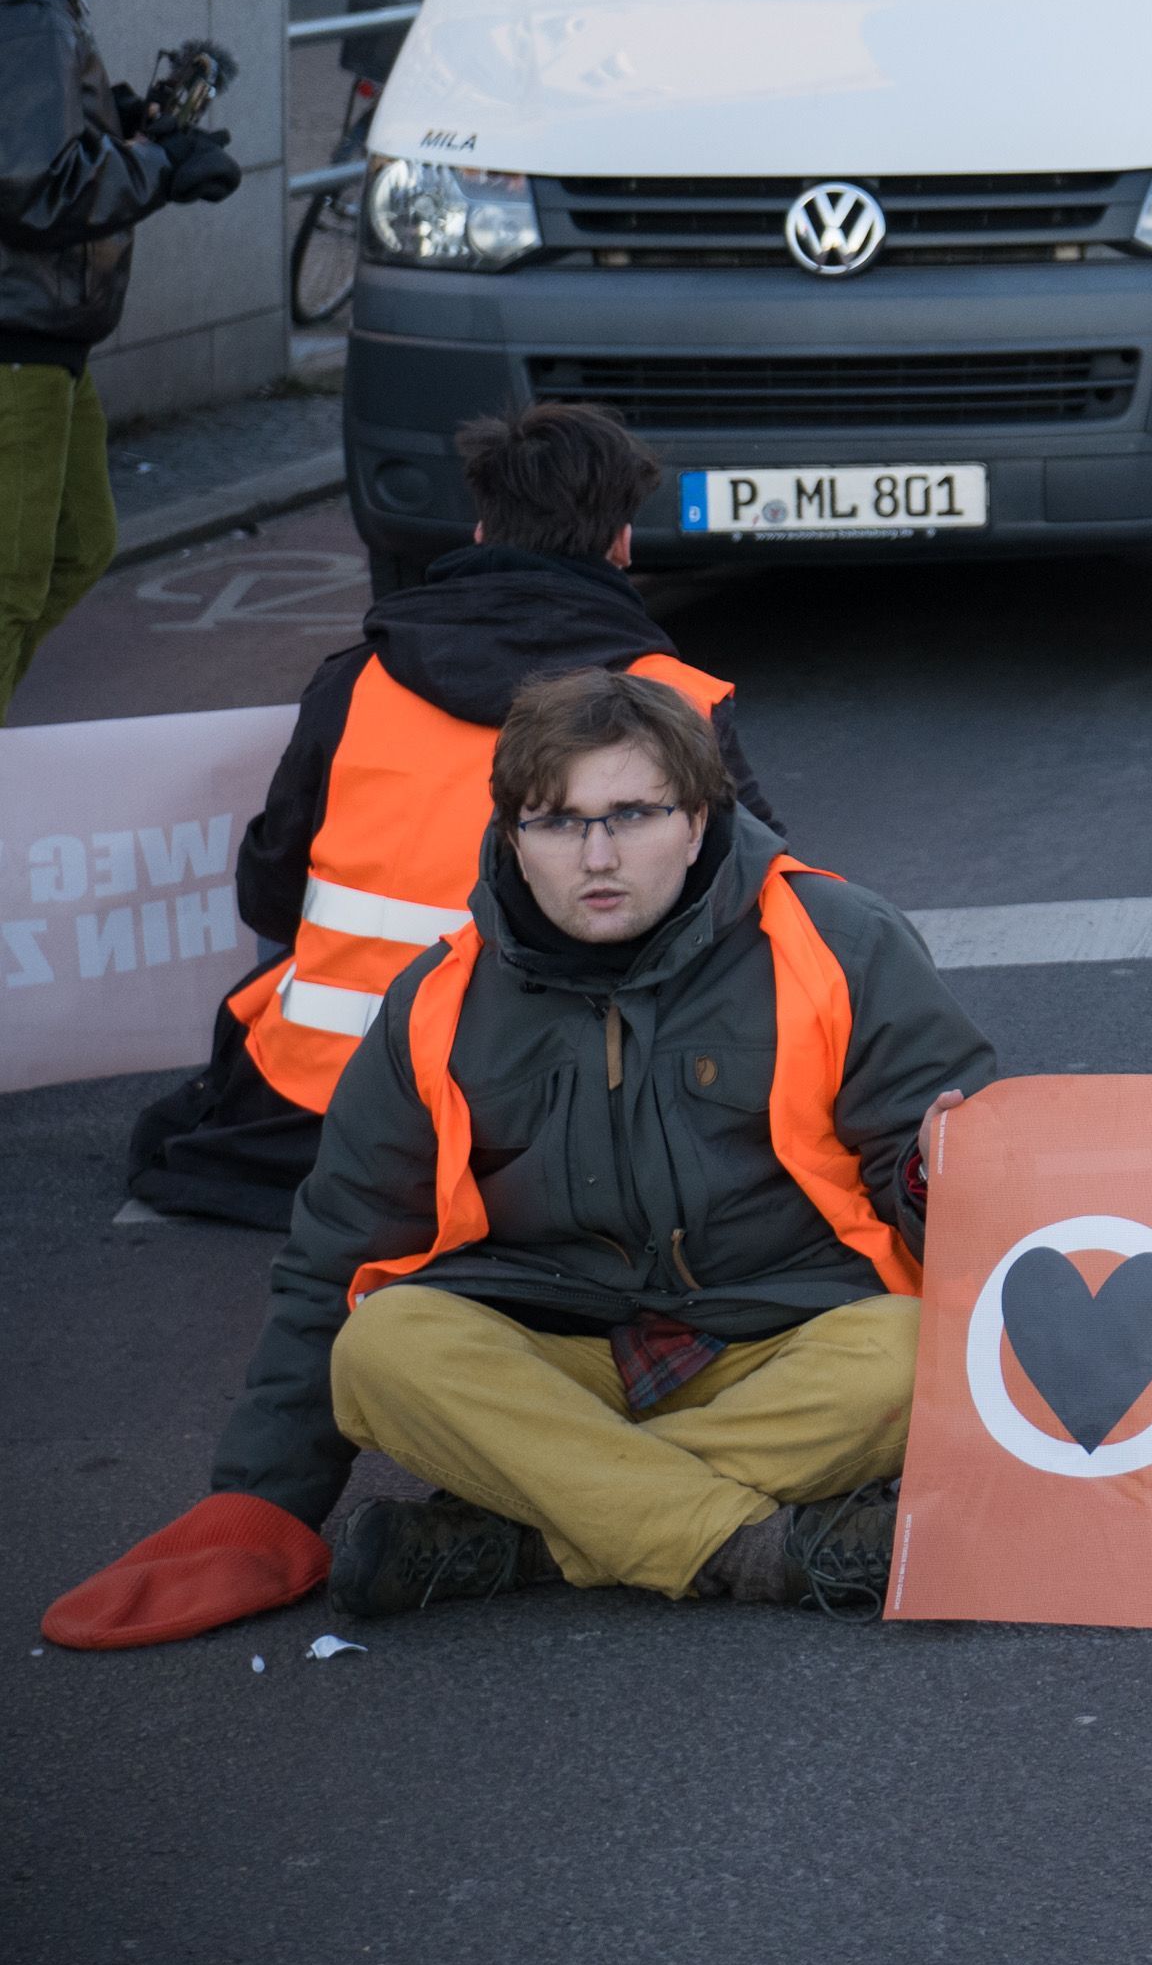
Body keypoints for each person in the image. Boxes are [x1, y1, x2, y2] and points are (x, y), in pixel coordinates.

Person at [42, 667, 987, 1641]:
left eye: (634, 813)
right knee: (381, 1350)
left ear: (700, 819)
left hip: (784, 1337)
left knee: (919, 1354)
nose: (598, 854)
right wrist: (263, 1498)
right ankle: (757, 1546)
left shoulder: (841, 939)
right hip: (550, 1349)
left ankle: (527, 1534)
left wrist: (936, 1173)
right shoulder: (439, 999)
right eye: (557, 821)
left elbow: (963, 1200)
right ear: (510, 834)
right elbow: (336, 1248)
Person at [124, 402, 755, 1228]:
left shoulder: (357, 682)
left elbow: (269, 891)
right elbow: (756, 910)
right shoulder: (679, 704)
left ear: (483, 530)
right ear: (622, 543)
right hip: (543, 1117)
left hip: (319, 1106)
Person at [0, 0, 236, 710]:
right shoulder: (24, 2)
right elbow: (31, 183)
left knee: (80, 541)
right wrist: (162, 169)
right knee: (13, 582)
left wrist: (129, 124)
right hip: (18, 338)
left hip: (49, 333)